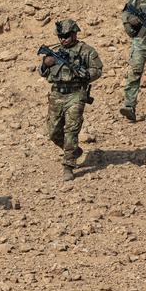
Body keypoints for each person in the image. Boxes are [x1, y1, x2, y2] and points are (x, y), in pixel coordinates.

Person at [38, 19, 103, 182]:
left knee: (71, 130)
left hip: (76, 94)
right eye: (60, 36)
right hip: (56, 94)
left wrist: (86, 74)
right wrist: (46, 64)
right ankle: (73, 150)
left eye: (66, 36)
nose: (63, 39)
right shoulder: (54, 51)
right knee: (53, 131)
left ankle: (68, 165)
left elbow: (98, 70)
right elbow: (42, 72)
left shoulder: (86, 51)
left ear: (74, 34)